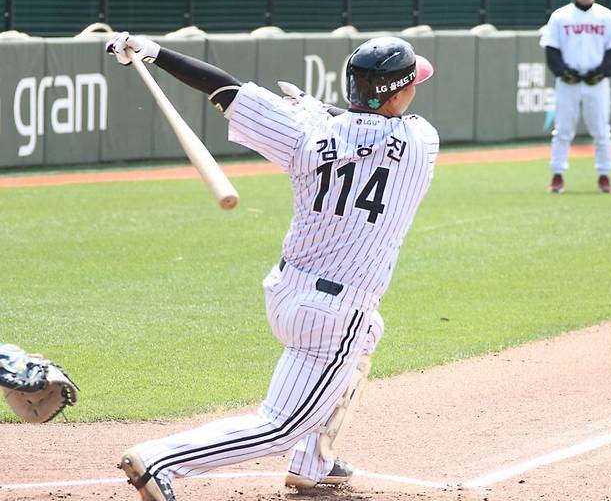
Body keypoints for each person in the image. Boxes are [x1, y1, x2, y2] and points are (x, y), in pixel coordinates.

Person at [105, 32, 439, 501]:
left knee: (367, 338)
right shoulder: (422, 140)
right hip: (336, 309)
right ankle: (161, 458)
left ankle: (312, 463)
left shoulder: (306, 134)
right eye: (411, 84)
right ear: (399, 92)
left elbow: (223, 89)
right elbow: (371, 128)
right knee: (278, 426)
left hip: (287, 290)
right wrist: (317, 109)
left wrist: (155, 53)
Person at [540, 0, 611, 194]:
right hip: (568, 82)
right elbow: (551, 47)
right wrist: (561, 72)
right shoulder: (560, 16)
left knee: (601, 131)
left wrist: (604, 72)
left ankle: (604, 175)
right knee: (563, 130)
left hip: (596, 83)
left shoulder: (605, 16)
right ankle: (557, 175)